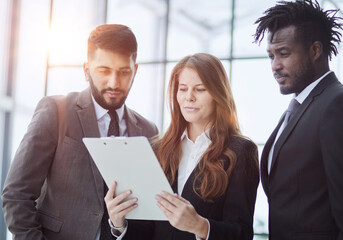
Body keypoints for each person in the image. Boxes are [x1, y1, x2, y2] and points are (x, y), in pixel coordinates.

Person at [1, 24, 158, 239]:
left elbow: (146, 215)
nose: (114, 82)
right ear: (86, 70)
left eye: (124, 72)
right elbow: (16, 195)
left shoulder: (148, 131)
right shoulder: (55, 111)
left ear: (135, 71)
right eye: (104, 71)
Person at [104, 53, 260, 240]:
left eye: (200, 89)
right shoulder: (158, 149)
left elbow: (242, 233)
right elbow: (145, 232)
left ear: (218, 94)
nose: (189, 98)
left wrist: (201, 226)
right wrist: (118, 224)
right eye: (183, 89)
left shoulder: (241, 151)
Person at [254, 0, 343, 239]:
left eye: (284, 54)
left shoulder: (336, 104)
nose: (275, 65)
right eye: (271, 56)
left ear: (315, 50)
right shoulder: (299, 108)